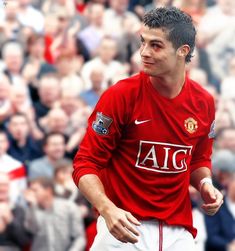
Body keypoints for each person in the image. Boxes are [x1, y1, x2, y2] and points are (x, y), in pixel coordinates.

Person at [72, 7, 223, 251]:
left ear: (182, 52)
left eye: (156, 45)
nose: (144, 52)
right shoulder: (120, 95)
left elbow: (198, 160)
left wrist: (206, 184)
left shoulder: (204, 102)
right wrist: (107, 209)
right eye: (143, 42)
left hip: (179, 233)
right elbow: (85, 163)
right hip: (124, 229)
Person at [23, 177, 86, 251]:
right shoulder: (32, 209)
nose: (31, 194)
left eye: (35, 190)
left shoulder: (69, 207)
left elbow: (79, 238)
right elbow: (32, 230)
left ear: (48, 191)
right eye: (30, 190)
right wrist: (32, 206)